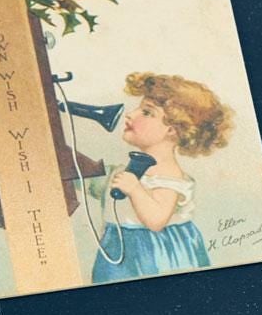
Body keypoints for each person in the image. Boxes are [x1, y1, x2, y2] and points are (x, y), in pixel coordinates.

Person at [93, 71, 233, 283]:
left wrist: (135, 190)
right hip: (118, 249)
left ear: (174, 129)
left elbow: (156, 221)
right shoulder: (126, 168)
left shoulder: (169, 174)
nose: (130, 114)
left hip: (153, 254)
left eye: (147, 112)